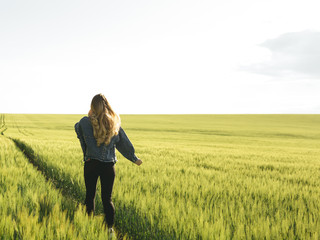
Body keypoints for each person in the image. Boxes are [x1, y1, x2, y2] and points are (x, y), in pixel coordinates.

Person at [74, 93, 142, 238]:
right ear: (107, 106)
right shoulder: (114, 123)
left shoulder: (85, 122)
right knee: (107, 199)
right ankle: (110, 230)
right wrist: (134, 158)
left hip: (91, 164)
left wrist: (86, 155)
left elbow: (80, 134)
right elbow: (123, 143)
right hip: (108, 167)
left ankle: (88, 227)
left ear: (92, 106)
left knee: (89, 196)